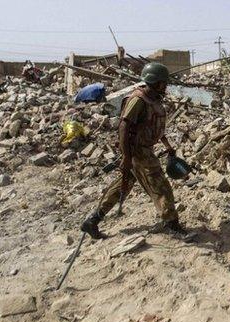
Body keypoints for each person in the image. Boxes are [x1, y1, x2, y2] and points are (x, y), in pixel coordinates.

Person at [81, 62, 191, 240]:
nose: (166, 86)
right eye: (164, 83)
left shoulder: (153, 99)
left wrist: (168, 146)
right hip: (138, 152)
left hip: (144, 149)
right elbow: (124, 126)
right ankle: (172, 224)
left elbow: (154, 127)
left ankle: (93, 220)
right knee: (161, 187)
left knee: (123, 185)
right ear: (156, 82)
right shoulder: (138, 99)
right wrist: (126, 156)